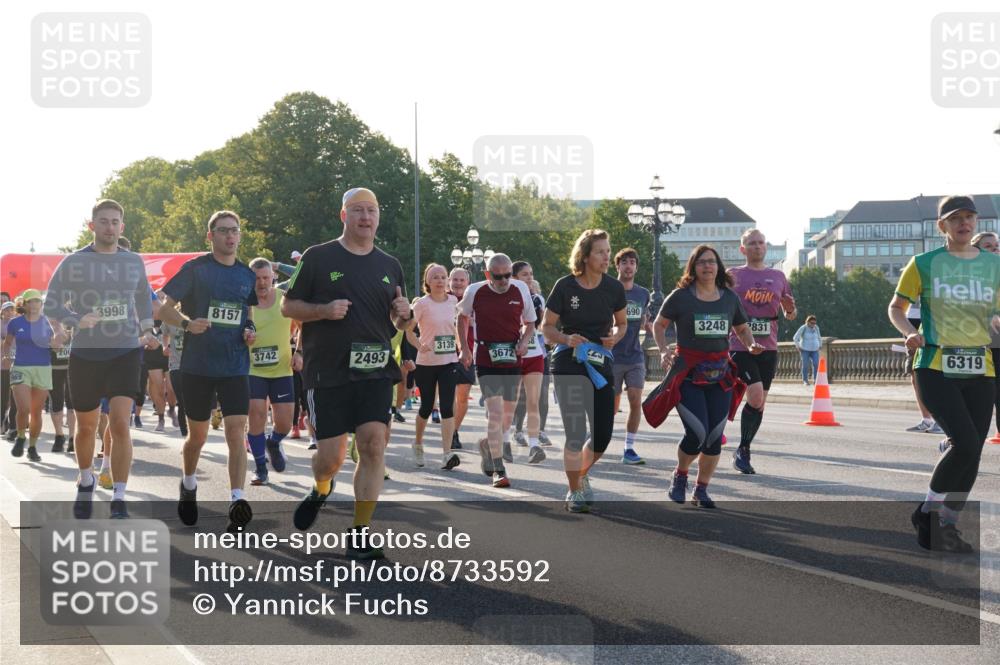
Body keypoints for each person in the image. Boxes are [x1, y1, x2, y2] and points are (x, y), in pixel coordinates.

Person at [282, 187, 411, 561]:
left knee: (373, 444)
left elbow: (399, 322)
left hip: (375, 369)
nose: (366, 217)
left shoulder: (390, 264)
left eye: (372, 210)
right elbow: (288, 306)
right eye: (358, 210)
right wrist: (323, 311)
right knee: (330, 458)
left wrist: (405, 315)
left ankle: (360, 532)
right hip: (328, 371)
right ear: (344, 215)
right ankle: (322, 487)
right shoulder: (318, 257)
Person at [889, 195, 999, 553]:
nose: (964, 223)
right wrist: (909, 331)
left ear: (976, 221)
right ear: (942, 226)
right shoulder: (924, 263)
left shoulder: (994, 265)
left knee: (973, 450)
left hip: (980, 366)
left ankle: (945, 526)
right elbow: (896, 307)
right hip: (935, 364)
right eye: (955, 218)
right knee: (963, 443)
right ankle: (927, 513)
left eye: (969, 217)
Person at [44, 199, 157, 519]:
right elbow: (51, 303)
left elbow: (143, 298)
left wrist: (147, 328)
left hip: (125, 351)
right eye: (104, 221)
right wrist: (75, 319)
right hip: (87, 354)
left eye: (115, 222)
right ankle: (85, 479)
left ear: (122, 226)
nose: (110, 227)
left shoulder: (133, 261)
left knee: (120, 423)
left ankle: (119, 495)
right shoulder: (74, 262)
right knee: (86, 426)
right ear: (92, 226)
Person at [158, 210, 258, 532]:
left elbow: (247, 312)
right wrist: (188, 323)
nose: (230, 236)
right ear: (210, 235)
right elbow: (162, 308)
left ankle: (237, 501)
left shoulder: (246, 274)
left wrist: (250, 329)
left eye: (235, 230)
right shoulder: (195, 269)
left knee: (236, 432)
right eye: (224, 230)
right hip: (198, 366)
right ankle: (188, 484)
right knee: (198, 437)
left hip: (235, 365)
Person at [650, 244, 760, 508]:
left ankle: (701, 489)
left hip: (720, 376)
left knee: (713, 437)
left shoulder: (729, 298)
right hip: (688, 374)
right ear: (693, 267)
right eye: (701, 262)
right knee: (697, 434)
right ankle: (680, 474)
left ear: (718, 266)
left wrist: (750, 344)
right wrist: (664, 350)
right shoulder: (680, 297)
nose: (707, 266)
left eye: (711, 261)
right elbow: (659, 324)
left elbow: (742, 328)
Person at [541, 229, 627, 512]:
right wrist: (566, 338)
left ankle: (581, 473)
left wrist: (615, 337)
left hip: (600, 361)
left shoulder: (613, 288)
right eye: (601, 252)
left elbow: (622, 324)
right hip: (568, 361)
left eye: (608, 251)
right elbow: (547, 327)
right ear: (586, 256)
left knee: (602, 435)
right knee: (576, 432)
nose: (606, 256)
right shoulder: (565, 286)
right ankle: (574, 491)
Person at [459, 253, 537, 488]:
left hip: (512, 357)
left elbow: (531, 322)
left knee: (507, 416)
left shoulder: (520, 289)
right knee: (495, 413)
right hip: (486, 357)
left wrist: (524, 341)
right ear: (487, 274)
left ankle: (487, 444)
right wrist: (465, 349)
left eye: (507, 275)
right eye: (498, 276)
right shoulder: (475, 291)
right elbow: (462, 318)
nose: (503, 280)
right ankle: (498, 469)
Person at [727, 229, 797, 475]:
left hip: (769, 347)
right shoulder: (733, 275)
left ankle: (743, 449)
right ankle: (724, 434)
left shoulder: (778, 276)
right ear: (743, 249)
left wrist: (790, 310)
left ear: (766, 247)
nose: (757, 246)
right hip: (739, 345)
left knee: (759, 404)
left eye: (761, 243)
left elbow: (790, 314)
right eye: (752, 243)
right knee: (755, 396)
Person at [246, 258, 299, 485]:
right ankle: (260, 468)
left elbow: (302, 273)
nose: (262, 283)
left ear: (273, 278)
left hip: (282, 371)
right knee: (256, 416)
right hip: (252, 370)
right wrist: (243, 337)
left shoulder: (284, 299)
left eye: (266, 277)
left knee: (285, 423)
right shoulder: (244, 303)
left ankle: (274, 442)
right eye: (257, 278)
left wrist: (299, 352)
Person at [405, 263, 461, 470]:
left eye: (443, 277)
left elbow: (455, 326)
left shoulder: (453, 301)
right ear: (427, 281)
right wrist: (420, 345)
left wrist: (460, 346)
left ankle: (447, 453)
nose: (440, 280)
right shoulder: (422, 304)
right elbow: (408, 331)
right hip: (427, 362)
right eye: (435, 277)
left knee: (446, 407)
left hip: (449, 361)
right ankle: (418, 443)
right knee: (427, 407)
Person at [3, 289, 58, 461]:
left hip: (43, 369)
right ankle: (20, 437)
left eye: (37, 301)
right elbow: (8, 343)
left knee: (36, 412)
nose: (34, 305)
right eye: (30, 302)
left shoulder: (48, 322)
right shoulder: (15, 323)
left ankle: (32, 447)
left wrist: (59, 340)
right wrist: (6, 356)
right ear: (24, 304)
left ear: (41, 304)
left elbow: (56, 346)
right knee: (23, 408)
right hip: (21, 367)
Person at [609, 248, 651, 465]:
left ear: (636, 267)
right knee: (611, 406)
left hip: (635, 356)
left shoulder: (643, 294)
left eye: (632, 262)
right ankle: (595, 438)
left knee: (635, 400)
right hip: (611, 356)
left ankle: (629, 448)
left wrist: (649, 327)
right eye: (624, 262)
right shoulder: (607, 289)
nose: (628, 266)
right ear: (617, 265)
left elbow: (644, 320)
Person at [507, 262, 548, 464]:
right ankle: (505, 441)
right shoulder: (505, 299)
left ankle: (534, 445)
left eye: (531, 274)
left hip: (534, 354)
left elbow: (539, 324)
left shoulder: (537, 299)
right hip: (512, 355)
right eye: (524, 274)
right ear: (513, 277)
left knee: (533, 401)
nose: (530, 277)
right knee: (511, 401)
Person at [902, 297, 942, 434]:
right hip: (911, 319)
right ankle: (927, 420)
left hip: (933, 317)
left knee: (936, 373)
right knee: (915, 373)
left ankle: (941, 421)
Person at [448, 267, 473, 450]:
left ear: (468, 283)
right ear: (449, 281)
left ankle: (454, 431)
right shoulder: (442, 298)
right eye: (455, 279)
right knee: (448, 396)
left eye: (461, 280)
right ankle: (448, 431)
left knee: (462, 396)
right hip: (444, 353)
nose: (458, 283)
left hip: (467, 353)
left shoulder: (473, 300)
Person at [48, 322, 75, 452]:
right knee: (56, 404)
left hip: (71, 370)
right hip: (53, 370)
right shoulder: (46, 332)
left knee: (71, 404)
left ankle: (72, 438)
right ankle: (59, 435)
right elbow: (55, 347)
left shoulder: (72, 331)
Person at [792, 315, 821, 385]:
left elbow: (819, 337)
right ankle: (805, 380)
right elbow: (795, 338)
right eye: (812, 323)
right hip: (805, 350)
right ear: (807, 322)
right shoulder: (803, 328)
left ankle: (816, 380)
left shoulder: (816, 328)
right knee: (805, 365)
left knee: (816, 364)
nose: (813, 324)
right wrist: (798, 346)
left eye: (814, 323)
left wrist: (820, 345)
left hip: (815, 349)